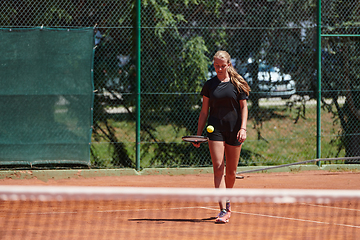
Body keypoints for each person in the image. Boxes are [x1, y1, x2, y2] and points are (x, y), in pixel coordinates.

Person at [193, 50, 250, 223]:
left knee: (231, 172)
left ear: (229, 65)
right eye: (216, 66)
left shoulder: (237, 84)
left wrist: (243, 128)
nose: (218, 69)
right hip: (215, 130)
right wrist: (198, 134)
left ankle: (228, 199)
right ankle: (224, 209)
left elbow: (244, 108)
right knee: (218, 168)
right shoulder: (209, 85)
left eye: (222, 66)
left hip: (234, 130)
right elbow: (204, 112)